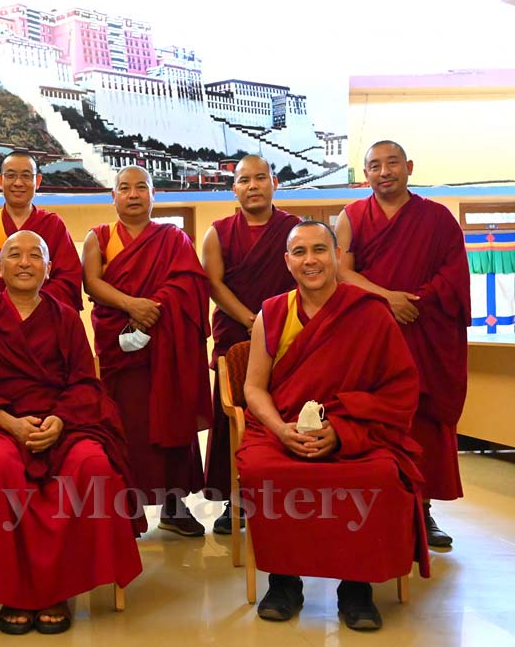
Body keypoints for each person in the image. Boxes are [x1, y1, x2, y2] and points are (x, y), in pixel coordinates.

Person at [239, 221, 429, 632]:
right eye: (300, 252)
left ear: (338, 256)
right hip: (284, 428)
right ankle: (284, 582)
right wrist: (281, 430)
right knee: (261, 470)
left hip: (356, 429)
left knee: (379, 475)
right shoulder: (272, 313)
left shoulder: (371, 313)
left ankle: (356, 587)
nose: (311, 260)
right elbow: (253, 387)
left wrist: (341, 431)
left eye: (320, 250)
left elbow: (399, 389)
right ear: (287, 261)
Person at [0, 230, 143, 635]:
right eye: (14, 255)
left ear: (49, 268)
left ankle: (62, 589)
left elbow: (84, 382)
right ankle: (13, 592)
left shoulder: (66, 318)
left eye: (35, 255)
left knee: (92, 465)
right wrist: (10, 423)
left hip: (64, 424)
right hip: (0, 425)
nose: (25, 262)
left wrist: (59, 421)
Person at [335, 140, 470, 548]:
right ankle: (374, 509)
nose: (384, 172)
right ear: (365, 175)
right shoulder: (352, 215)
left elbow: (453, 273)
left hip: (423, 328)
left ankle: (422, 511)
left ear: (409, 166)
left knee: (422, 421)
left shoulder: (437, 218)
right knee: (374, 418)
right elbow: (342, 272)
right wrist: (387, 300)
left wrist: (417, 301)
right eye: (375, 166)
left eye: (392, 163)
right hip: (373, 332)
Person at [82, 165, 211, 536]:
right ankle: (127, 507)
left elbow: (189, 285)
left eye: (141, 187)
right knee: (125, 428)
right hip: (121, 350)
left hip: (167, 350)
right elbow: (91, 282)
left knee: (171, 418)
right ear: (114, 196)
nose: (133, 194)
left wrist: (155, 307)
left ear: (154, 194)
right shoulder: (99, 236)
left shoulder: (173, 238)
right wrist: (132, 305)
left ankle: (174, 505)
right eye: (125, 188)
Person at [201, 155, 299, 533]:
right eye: (244, 180)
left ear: (275, 183)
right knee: (234, 416)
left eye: (260, 178)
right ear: (234, 188)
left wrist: (274, 322)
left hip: (287, 335)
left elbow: (305, 280)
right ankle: (235, 499)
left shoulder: (293, 229)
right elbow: (213, 283)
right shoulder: (219, 232)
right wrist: (251, 320)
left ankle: (285, 492)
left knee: (286, 408)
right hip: (236, 335)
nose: (253, 186)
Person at [0, 151, 83, 310]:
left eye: (26, 176)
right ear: (0, 181)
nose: (18, 183)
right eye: (10, 175)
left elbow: (68, 279)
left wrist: (32, 308)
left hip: (44, 314)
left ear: (38, 181)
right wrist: (4, 309)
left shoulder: (53, 224)